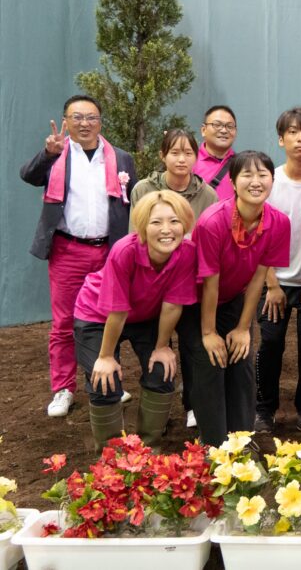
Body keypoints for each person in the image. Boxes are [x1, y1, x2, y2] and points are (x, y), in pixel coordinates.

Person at [20, 95, 137, 418]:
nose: (85, 123)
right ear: (66, 121)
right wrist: (47, 154)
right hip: (67, 249)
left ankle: (106, 379)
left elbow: (133, 201)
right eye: (77, 117)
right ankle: (63, 388)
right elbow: (28, 176)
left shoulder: (121, 159)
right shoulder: (57, 154)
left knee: (107, 318)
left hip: (109, 250)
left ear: (101, 122)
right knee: (63, 323)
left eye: (91, 117)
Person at [73, 191, 197, 450]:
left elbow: (173, 305)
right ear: (142, 226)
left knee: (162, 371)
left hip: (145, 317)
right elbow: (116, 311)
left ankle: (148, 449)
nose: (166, 230)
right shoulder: (124, 251)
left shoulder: (186, 253)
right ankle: (111, 456)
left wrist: (162, 347)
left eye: (174, 221)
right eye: (156, 222)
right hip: (98, 314)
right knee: (103, 381)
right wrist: (106, 357)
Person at [184, 151, 291, 446]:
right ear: (232, 182)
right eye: (247, 175)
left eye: (262, 175)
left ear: (272, 180)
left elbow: (259, 277)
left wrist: (243, 328)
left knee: (241, 362)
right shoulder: (212, 222)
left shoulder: (279, 223)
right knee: (211, 362)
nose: (255, 182)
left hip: (233, 298)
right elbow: (209, 282)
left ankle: (242, 441)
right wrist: (208, 332)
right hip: (196, 300)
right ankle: (215, 446)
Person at [130, 129, 218, 430]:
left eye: (188, 153)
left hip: (190, 284)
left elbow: (210, 243)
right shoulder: (143, 189)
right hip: (153, 286)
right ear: (162, 156)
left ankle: (193, 404)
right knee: (156, 346)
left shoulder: (207, 194)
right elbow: (136, 237)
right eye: (175, 153)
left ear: (197, 156)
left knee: (194, 346)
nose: (182, 159)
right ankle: (158, 410)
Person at [254, 108, 301, 433]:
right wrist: (271, 284)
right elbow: (260, 234)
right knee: (270, 342)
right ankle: (264, 408)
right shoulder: (270, 181)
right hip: (274, 282)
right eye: (293, 132)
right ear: (281, 139)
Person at [193, 105, 238, 202]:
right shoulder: (190, 161)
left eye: (230, 126)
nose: (224, 130)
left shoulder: (241, 164)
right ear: (203, 130)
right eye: (217, 125)